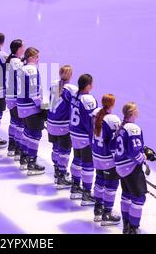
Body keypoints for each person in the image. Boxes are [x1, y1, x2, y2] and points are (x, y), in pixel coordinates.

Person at [114, 102, 147, 234]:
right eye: (136, 110)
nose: (138, 112)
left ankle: (126, 226)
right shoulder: (133, 128)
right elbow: (134, 152)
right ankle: (133, 228)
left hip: (121, 167)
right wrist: (143, 157)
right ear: (133, 113)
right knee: (139, 198)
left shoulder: (121, 127)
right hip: (131, 168)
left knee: (126, 196)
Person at [91, 94, 121, 226]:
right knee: (111, 186)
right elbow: (115, 141)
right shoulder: (113, 119)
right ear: (113, 104)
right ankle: (107, 212)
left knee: (99, 181)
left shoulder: (96, 114)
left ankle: (97, 209)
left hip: (96, 155)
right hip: (108, 158)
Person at [69, 74, 97, 205]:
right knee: (88, 164)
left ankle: (75, 186)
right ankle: (86, 193)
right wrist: (94, 136)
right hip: (84, 136)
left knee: (77, 159)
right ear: (88, 86)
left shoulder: (75, 95)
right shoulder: (88, 99)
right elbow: (91, 120)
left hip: (74, 132)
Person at [17, 47, 45, 175]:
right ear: (32, 57)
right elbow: (34, 92)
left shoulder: (21, 68)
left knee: (27, 132)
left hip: (21, 106)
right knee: (35, 134)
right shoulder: (32, 70)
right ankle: (32, 162)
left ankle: (24, 157)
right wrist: (43, 107)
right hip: (31, 107)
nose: (38, 59)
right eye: (37, 57)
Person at [47, 65, 77, 190]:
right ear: (71, 75)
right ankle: (62, 175)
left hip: (51, 122)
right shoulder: (71, 89)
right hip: (63, 125)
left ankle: (57, 171)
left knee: (56, 148)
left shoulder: (54, 84)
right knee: (64, 151)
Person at [5, 39, 25, 158]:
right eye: (23, 47)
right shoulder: (17, 63)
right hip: (15, 96)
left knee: (13, 122)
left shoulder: (11, 60)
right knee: (19, 124)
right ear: (19, 49)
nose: (24, 49)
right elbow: (20, 79)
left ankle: (11, 147)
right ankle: (18, 149)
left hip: (9, 95)